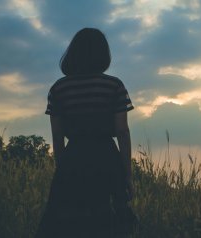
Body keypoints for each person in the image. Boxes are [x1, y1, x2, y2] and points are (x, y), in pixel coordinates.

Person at [35, 28, 136, 238]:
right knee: (110, 224)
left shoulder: (59, 89)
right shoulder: (114, 86)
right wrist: (127, 174)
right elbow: (122, 132)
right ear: (103, 54)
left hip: (73, 159)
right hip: (106, 158)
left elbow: (57, 137)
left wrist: (62, 170)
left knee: (67, 226)